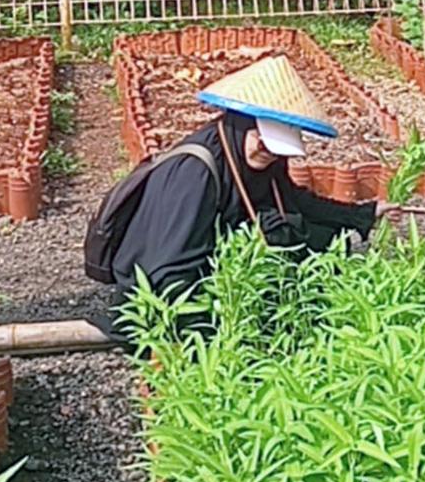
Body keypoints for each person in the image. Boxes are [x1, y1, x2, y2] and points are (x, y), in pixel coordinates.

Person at [97, 55, 399, 339]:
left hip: (219, 261)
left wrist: (361, 214)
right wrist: (214, 332)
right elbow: (170, 269)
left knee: (324, 240)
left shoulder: (258, 157)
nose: (269, 156)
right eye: (265, 145)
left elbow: (294, 202)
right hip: (162, 278)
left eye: (278, 150)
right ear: (243, 125)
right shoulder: (194, 174)